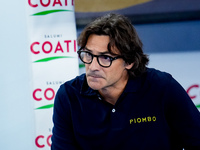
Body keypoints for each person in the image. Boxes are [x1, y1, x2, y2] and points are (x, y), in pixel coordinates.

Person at [51, 13, 200, 150]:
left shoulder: (163, 87)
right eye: (88, 55)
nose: (93, 66)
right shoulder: (69, 96)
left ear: (129, 61)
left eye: (105, 58)